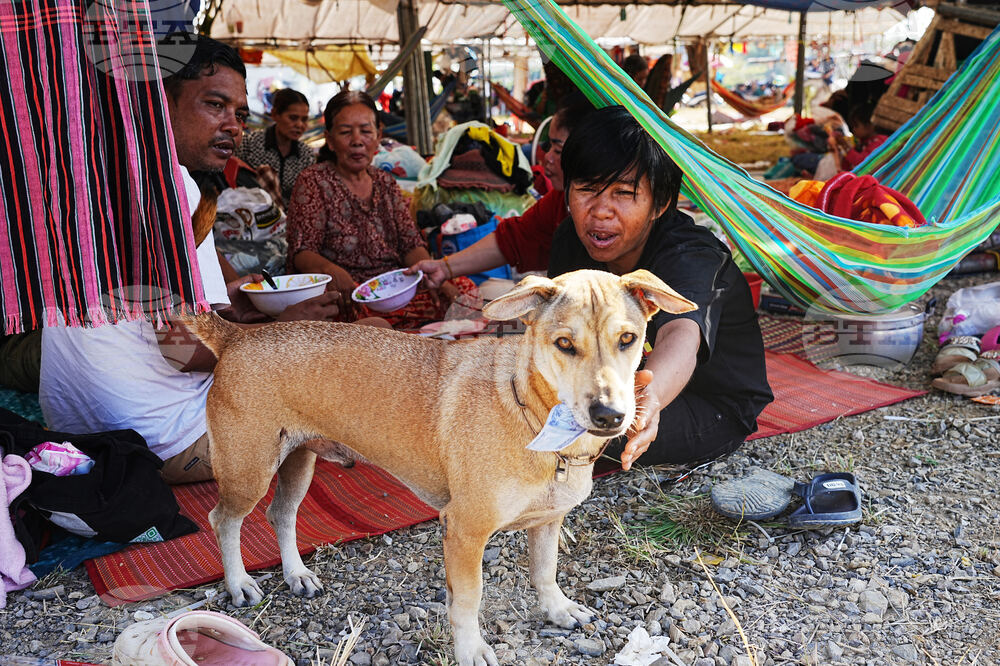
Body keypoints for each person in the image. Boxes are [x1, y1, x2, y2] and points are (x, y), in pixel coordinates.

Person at [38, 34, 348, 485]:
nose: (233, 125)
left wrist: (242, 311)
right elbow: (184, 351)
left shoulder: (90, 172)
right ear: (160, 104)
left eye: (239, 113)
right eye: (214, 105)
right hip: (163, 441)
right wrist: (286, 332)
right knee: (342, 369)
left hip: (74, 435)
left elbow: (152, 318)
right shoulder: (170, 186)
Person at [491, 106, 773, 471]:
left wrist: (648, 400)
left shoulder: (691, 255)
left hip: (707, 404)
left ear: (660, 203)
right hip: (607, 387)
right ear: (567, 192)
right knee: (511, 408)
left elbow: (681, 337)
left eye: (624, 193)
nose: (601, 211)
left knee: (546, 436)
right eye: (587, 189)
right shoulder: (570, 241)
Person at [286, 90, 477, 327]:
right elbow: (302, 252)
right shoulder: (312, 181)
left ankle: (399, 331)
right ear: (330, 139)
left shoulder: (386, 183)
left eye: (366, 131)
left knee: (464, 290)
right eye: (346, 132)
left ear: (378, 136)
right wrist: (331, 270)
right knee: (360, 319)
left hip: (394, 288)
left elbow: (410, 244)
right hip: (349, 293)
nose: (357, 140)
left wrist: (433, 276)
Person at [409, 98, 593, 284]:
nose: (547, 158)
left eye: (558, 151)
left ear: (588, 154)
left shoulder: (595, 215)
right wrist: (444, 268)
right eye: (549, 147)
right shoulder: (559, 201)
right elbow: (514, 238)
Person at [235, 87, 316, 206]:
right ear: (275, 114)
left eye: (304, 119)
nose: (299, 125)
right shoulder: (249, 144)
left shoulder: (306, 155)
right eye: (293, 118)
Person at [841, 104, 888, 171]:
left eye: (856, 126)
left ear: (869, 124)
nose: (853, 130)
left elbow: (862, 162)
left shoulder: (879, 142)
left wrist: (846, 147)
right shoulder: (863, 142)